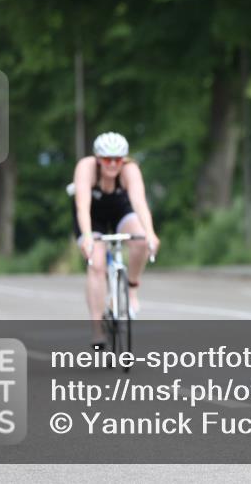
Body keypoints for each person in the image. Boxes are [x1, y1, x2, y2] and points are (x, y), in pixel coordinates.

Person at [72, 132, 159, 348]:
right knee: (97, 264)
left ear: (124, 159)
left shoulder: (130, 170)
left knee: (140, 241)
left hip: (120, 209)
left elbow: (139, 203)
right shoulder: (86, 168)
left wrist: (150, 232)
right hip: (92, 215)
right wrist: (88, 239)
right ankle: (97, 329)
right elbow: (82, 206)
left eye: (117, 159)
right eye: (107, 159)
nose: (112, 164)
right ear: (98, 159)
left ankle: (131, 290)